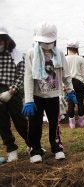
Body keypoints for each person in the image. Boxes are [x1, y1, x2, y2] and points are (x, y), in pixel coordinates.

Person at [22, 21, 77, 163]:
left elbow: (65, 73)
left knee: (54, 122)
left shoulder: (58, 54)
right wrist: (28, 100)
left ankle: (57, 147)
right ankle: (35, 149)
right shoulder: (32, 53)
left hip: (53, 94)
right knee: (35, 123)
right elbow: (28, 77)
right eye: (43, 42)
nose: (46, 45)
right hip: (36, 95)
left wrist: (70, 91)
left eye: (49, 41)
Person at [0, 25, 29, 162]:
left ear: (7, 40)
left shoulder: (16, 55)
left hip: (13, 91)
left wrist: (11, 91)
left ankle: (32, 144)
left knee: (20, 119)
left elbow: (21, 75)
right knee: (2, 122)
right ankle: (11, 148)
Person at [65, 39, 84, 128]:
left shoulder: (65, 58)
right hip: (79, 82)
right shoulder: (80, 59)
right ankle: (81, 122)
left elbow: (62, 73)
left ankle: (72, 123)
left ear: (68, 48)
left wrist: (63, 84)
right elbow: (83, 73)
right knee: (80, 101)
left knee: (70, 102)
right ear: (77, 48)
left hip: (68, 82)